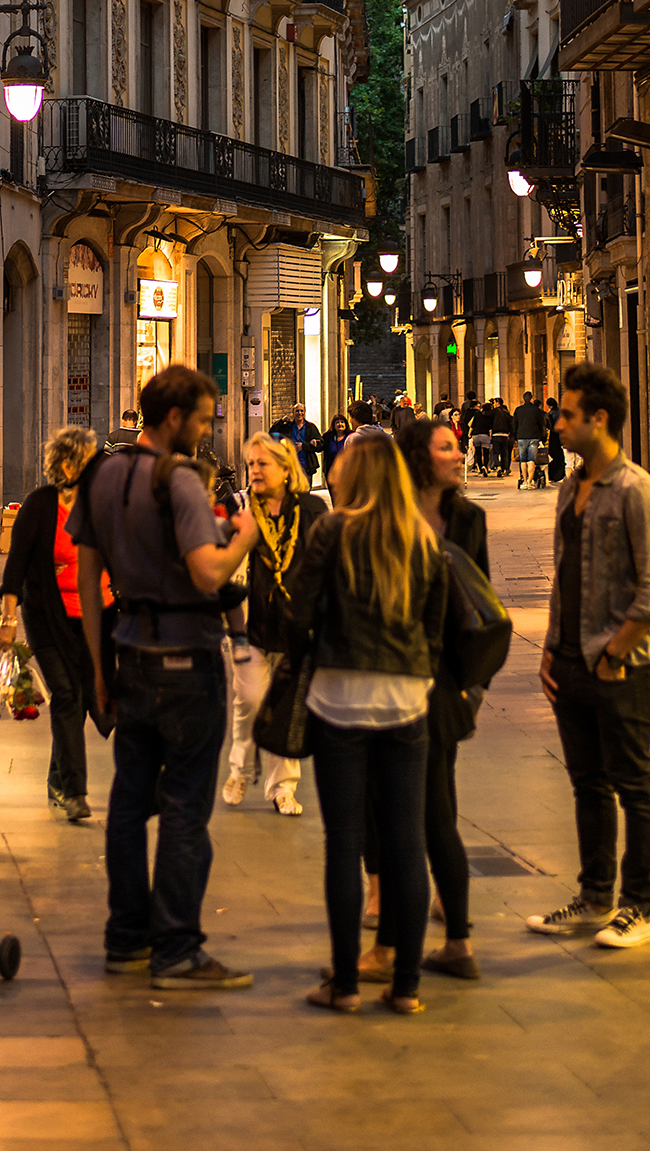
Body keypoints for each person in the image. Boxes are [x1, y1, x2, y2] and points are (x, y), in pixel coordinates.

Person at [70, 364, 260, 991]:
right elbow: (208, 574)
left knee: (128, 802)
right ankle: (176, 947)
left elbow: (91, 585)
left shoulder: (99, 474)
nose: (207, 434)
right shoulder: (178, 481)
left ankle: (125, 937)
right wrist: (245, 541)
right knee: (184, 806)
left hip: (131, 656)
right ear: (174, 418)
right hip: (188, 660)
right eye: (203, 420)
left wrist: (99, 668)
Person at [291, 429, 449, 1015]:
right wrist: (422, 670)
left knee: (345, 842)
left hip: (339, 699)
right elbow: (435, 622)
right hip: (407, 697)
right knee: (407, 841)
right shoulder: (421, 535)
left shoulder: (333, 529)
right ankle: (406, 986)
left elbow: (297, 611)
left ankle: (346, 985)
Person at [528, 363, 650, 951]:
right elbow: (565, 579)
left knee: (632, 781)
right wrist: (549, 649)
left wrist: (614, 654)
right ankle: (595, 897)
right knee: (587, 782)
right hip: (568, 659)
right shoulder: (570, 486)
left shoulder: (636, 490)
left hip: (621, 664)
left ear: (599, 418)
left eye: (566, 414)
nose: (557, 423)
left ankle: (638, 907)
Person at [358, 416, 490, 986]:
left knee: (429, 814)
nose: (459, 455)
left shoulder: (468, 518)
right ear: (418, 457)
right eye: (446, 448)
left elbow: (480, 605)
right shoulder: (392, 512)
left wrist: (471, 684)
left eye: (458, 447)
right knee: (406, 813)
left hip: (436, 681)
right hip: (392, 674)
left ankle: (429, 945)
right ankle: (414, 937)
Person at [0, 427, 111, 822]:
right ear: (68, 465)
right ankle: (75, 793)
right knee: (65, 695)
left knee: (85, 703)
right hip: (48, 618)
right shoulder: (40, 505)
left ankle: (59, 780)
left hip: (95, 618)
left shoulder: (98, 505)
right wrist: (8, 618)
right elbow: (16, 568)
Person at [222, 431, 327, 815]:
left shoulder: (311, 510)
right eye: (250, 464)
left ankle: (282, 788)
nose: (254, 471)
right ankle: (239, 768)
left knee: (285, 707)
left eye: (262, 463)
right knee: (248, 700)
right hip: (251, 623)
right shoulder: (239, 508)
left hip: (295, 625)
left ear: (285, 469)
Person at [515, 393, 543, 487]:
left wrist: (516, 436)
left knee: (523, 460)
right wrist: (541, 436)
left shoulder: (518, 410)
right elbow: (541, 424)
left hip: (521, 436)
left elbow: (514, 424)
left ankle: (524, 481)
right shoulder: (536, 410)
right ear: (531, 399)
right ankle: (530, 482)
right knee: (531, 459)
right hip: (534, 436)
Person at [320, 413, 352, 479]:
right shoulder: (328, 437)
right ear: (333, 425)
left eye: (342, 422)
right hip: (331, 472)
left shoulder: (352, 436)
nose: (340, 424)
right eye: (337, 422)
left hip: (347, 471)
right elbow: (319, 447)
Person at [490, 400, 514, 478]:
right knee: (504, 453)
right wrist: (510, 433)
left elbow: (489, 421)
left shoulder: (493, 412)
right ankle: (505, 468)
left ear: (497, 403)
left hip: (496, 434)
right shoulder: (506, 412)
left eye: (494, 403)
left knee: (496, 452)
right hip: (505, 435)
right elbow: (511, 423)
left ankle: (498, 467)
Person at [545, 397, 567, 484]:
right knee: (561, 456)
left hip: (553, 437)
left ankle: (554, 475)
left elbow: (549, 426)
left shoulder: (550, 414)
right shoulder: (561, 412)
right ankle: (561, 474)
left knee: (553, 456)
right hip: (561, 436)